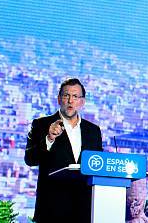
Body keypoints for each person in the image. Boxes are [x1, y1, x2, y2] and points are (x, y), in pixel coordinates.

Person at [25, 78, 102, 223]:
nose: (70, 101)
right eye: (66, 96)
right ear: (59, 99)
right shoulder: (41, 125)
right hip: (51, 208)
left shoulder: (93, 131)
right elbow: (30, 159)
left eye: (75, 96)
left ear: (82, 102)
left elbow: (97, 165)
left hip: (84, 210)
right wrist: (49, 138)